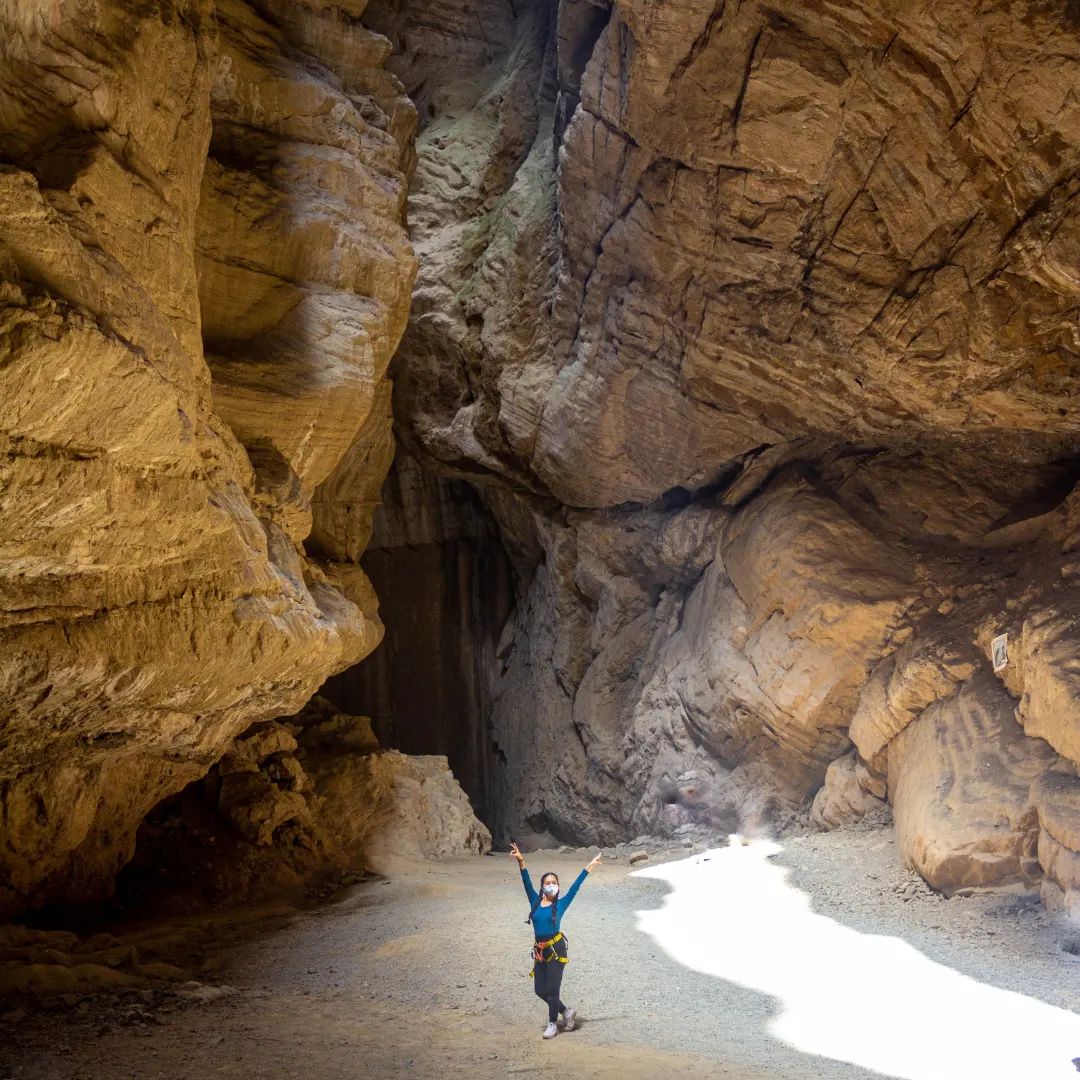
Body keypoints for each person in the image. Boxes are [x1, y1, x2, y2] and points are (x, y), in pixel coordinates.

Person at [510, 840, 602, 1039]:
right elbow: (526, 881)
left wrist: (589, 867)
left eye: (554, 883)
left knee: (552, 989)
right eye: (547, 883)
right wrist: (521, 860)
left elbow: (576, 886)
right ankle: (566, 1012)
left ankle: (553, 1024)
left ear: (558, 886)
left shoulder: (561, 904)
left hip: (556, 949)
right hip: (540, 950)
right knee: (539, 989)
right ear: (542, 887)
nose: (551, 885)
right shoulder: (535, 902)